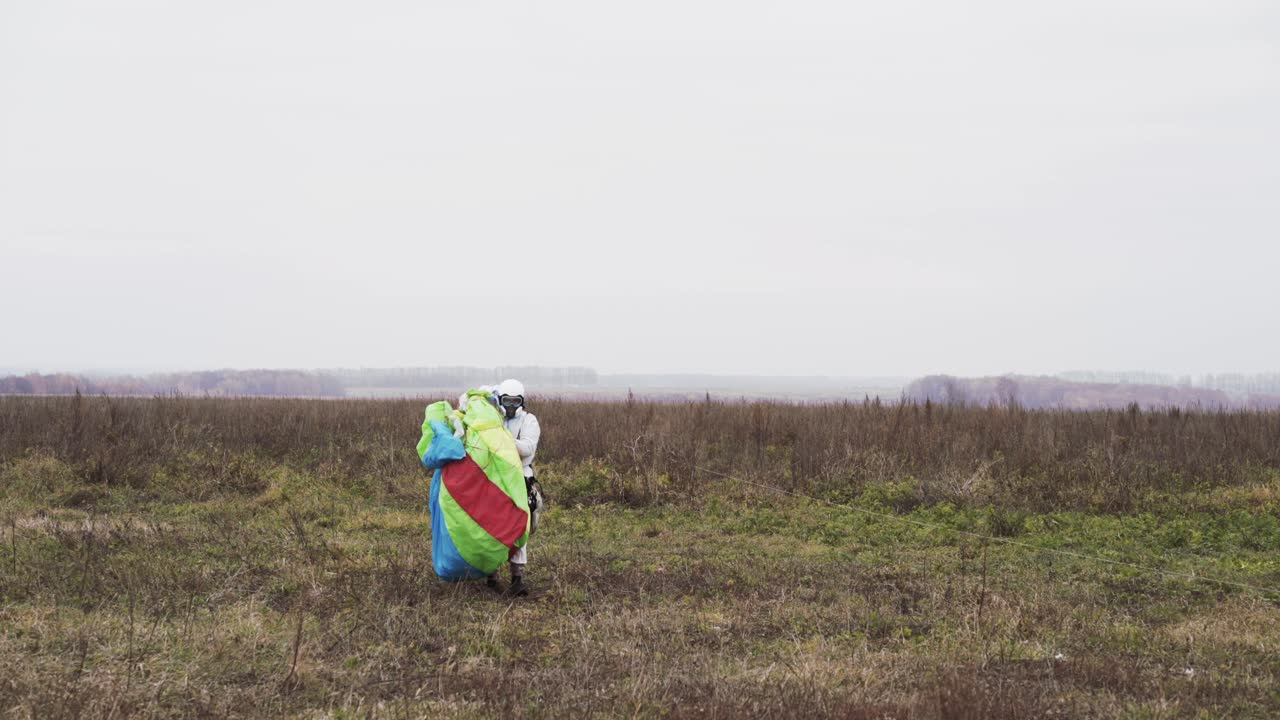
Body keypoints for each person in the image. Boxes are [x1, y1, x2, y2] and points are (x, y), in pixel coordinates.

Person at [494, 378, 541, 596]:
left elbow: (528, 448)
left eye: (515, 401)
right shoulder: (493, 418)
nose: (511, 406)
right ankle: (491, 574)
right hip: (495, 479)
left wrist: (502, 441)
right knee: (492, 525)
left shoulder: (529, 421)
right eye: (507, 401)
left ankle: (517, 578)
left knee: (521, 526)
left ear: (521, 401)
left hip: (521, 478)